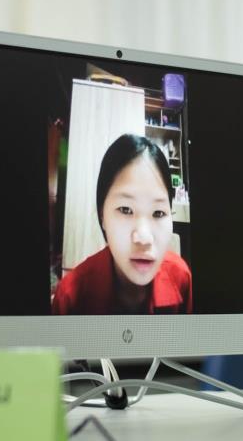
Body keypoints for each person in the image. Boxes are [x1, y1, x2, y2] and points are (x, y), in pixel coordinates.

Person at [52, 133, 192, 315]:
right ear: (102, 216)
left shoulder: (182, 279)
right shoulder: (69, 297)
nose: (144, 238)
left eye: (158, 213)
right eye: (125, 209)